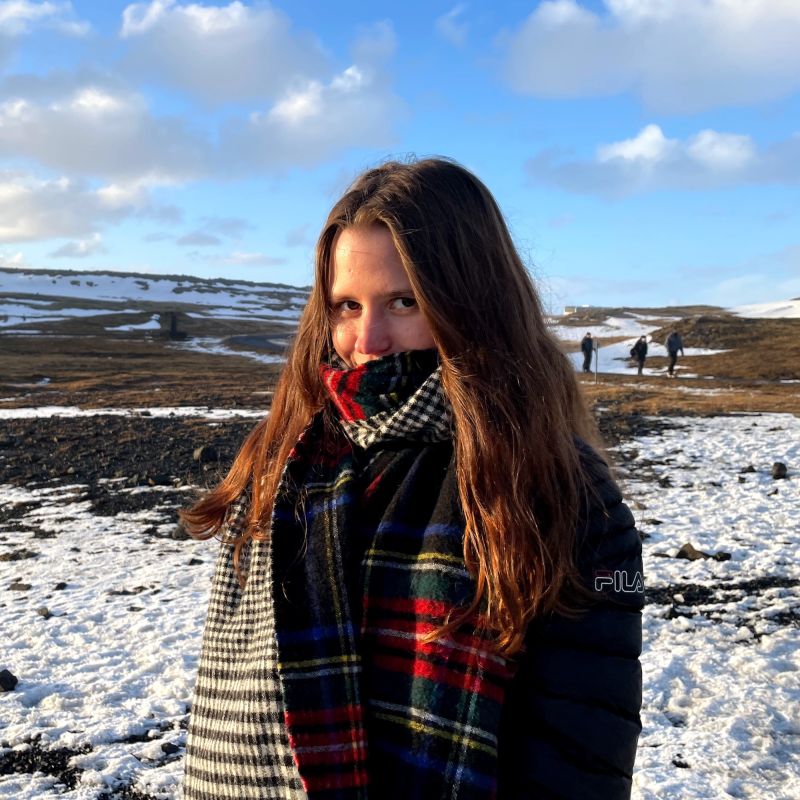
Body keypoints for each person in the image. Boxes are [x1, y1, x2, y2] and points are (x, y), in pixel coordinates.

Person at [181, 158, 644, 800]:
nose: (368, 338)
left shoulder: (558, 486)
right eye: (347, 305)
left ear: (473, 303)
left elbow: (583, 741)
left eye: (404, 302)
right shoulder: (285, 462)